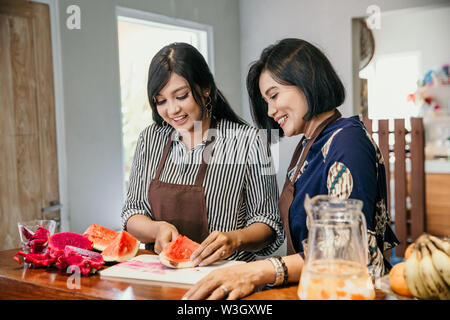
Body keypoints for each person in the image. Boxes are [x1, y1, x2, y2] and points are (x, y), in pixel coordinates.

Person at [182, 38, 399, 300]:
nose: (271, 110)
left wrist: (259, 271)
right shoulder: (310, 143)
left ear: (306, 80)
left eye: (274, 95)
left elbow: (346, 251)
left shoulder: (347, 142)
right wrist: (236, 240)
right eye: (266, 101)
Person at [121, 42, 284, 264]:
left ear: (205, 88)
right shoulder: (150, 139)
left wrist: (235, 239)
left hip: (227, 280)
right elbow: (133, 210)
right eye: (161, 100)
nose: (172, 110)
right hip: (161, 276)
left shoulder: (249, 141)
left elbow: (268, 222)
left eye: (181, 96)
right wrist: (155, 229)